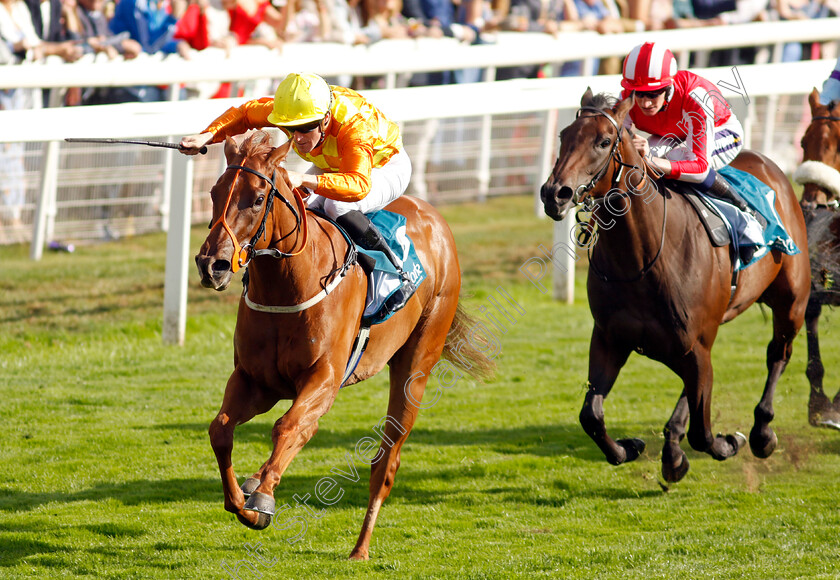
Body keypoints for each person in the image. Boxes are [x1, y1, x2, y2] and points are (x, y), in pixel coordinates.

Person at [180, 72, 416, 311]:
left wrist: (303, 178)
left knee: (337, 206)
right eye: (291, 129)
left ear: (325, 120)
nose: (299, 138)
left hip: (382, 165)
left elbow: (358, 185)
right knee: (293, 206)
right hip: (331, 163)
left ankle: (396, 273)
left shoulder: (354, 125)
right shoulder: (293, 110)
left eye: (305, 128)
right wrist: (207, 135)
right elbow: (244, 114)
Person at [619, 41, 756, 219]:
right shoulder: (626, 96)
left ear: (669, 87)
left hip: (723, 132)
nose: (645, 103)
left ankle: (741, 207)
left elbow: (699, 168)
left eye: (653, 94)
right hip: (675, 135)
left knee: (670, 159)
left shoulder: (696, 97)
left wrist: (649, 160)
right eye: (639, 94)